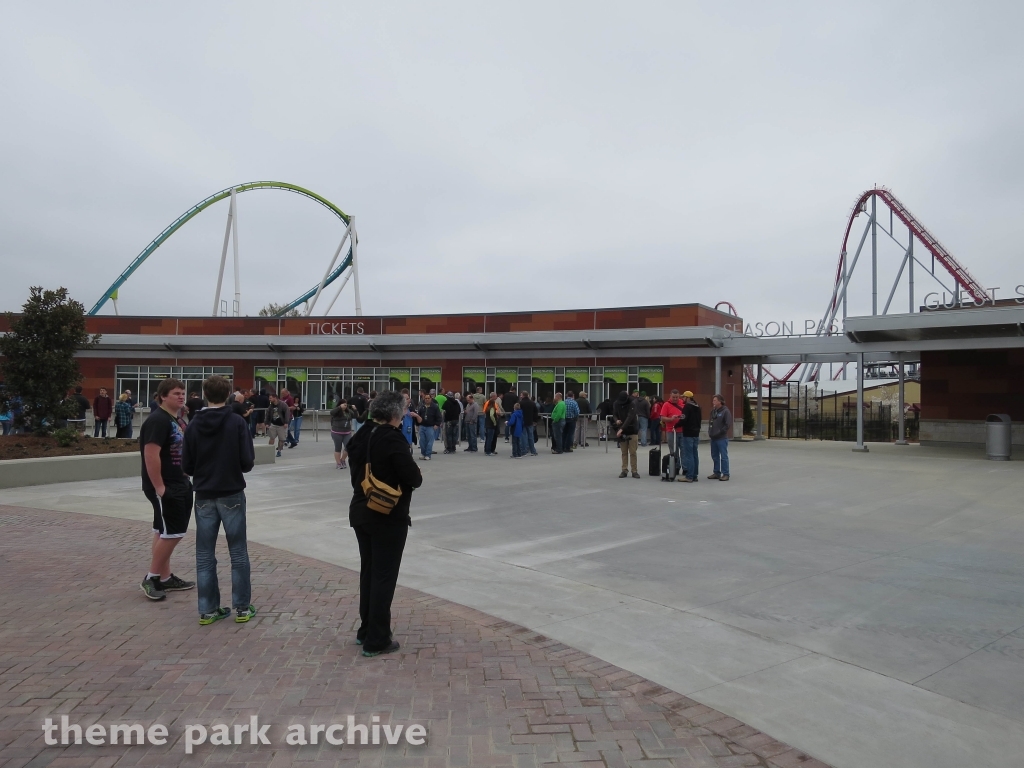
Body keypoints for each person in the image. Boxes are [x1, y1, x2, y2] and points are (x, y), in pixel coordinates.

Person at [345, 390, 423, 656]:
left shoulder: (363, 434)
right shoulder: (392, 438)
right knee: (383, 576)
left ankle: (366, 629)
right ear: (394, 414)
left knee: (369, 572)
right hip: (387, 515)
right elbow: (413, 477)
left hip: (361, 510)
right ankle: (377, 639)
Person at [181, 375, 256, 625]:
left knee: (204, 554)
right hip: (231, 491)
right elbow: (247, 461)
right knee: (238, 552)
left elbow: (187, 464)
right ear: (228, 395)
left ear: (204, 394)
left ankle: (208, 609)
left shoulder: (193, 424)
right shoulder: (236, 422)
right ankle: (242, 608)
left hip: (203, 493)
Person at [139, 378, 195, 601]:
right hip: (167, 485)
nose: (181, 396)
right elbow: (150, 455)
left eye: (183, 393)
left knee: (162, 531)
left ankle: (164, 577)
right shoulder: (157, 421)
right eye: (176, 393)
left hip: (180, 481)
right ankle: (151, 578)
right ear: (163, 396)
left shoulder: (177, 420)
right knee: (174, 532)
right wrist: (160, 488)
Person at [613, 391, 640, 478]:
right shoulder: (616, 403)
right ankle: (624, 470)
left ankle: (634, 470)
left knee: (633, 452)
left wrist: (621, 429)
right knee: (624, 452)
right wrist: (616, 420)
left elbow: (630, 417)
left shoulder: (632, 403)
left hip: (632, 430)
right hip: (622, 430)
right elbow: (614, 414)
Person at [707, 394, 733, 481]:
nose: (713, 402)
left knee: (723, 456)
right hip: (713, 437)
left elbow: (727, 424)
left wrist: (720, 432)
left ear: (720, 401)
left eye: (715, 400)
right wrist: (710, 432)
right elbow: (710, 422)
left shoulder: (725, 411)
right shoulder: (713, 411)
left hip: (721, 438)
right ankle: (716, 472)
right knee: (715, 456)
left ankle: (726, 474)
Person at [679, 390, 702, 483]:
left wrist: (676, 425)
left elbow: (683, 420)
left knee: (689, 455)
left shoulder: (687, 407)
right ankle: (695, 475)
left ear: (688, 398)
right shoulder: (697, 407)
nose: (683, 399)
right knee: (695, 454)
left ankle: (689, 476)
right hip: (696, 433)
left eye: (684, 397)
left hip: (688, 433)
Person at [660, 390, 685, 477]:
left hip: (682, 431)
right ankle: (675, 467)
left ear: (679, 397)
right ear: (670, 396)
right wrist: (671, 419)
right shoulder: (666, 405)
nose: (675, 399)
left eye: (676, 397)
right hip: (671, 431)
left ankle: (685, 468)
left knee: (683, 450)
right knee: (673, 450)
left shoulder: (683, 403)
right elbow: (662, 418)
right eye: (673, 397)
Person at [414, 393, 441, 460]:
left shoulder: (435, 407)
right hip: (422, 426)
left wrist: (437, 424)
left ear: (431, 399)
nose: (427, 400)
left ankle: (428, 454)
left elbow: (439, 417)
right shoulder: (422, 407)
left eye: (428, 398)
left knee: (429, 441)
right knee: (422, 441)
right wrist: (417, 424)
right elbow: (418, 416)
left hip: (430, 427)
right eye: (426, 398)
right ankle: (423, 454)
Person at [330, 399, 354, 469]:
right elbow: (331, 412)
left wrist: (348, 408)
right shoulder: (336, 411)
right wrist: (339, 408)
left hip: (347, 432)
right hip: (337, 432)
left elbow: (353, 414)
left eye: (346, 404)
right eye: (343, 404)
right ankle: (338, 463)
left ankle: (343, 460)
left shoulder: (348, 412)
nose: (345, 406)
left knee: (348, 447)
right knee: (338, 448)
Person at [266, 393, 291, 457]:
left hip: (281, 425)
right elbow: (268, 415)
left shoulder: (283, 405)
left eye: (271, 398)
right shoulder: (271, 406)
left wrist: (286, 422)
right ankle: (269, 451)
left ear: (275, 398)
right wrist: (267, 423)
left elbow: (287, 413)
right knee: (272, 438)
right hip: (273, 424)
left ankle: (279, 451)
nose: (269, 399)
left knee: (281, 439)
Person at [519, 392, 539, 456]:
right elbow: (536, 412)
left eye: (521, 395)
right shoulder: (532, 403)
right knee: (531, 436)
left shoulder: (521, 403)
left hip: (523, 421)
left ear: (523, 396)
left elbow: (518, 412)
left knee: (523, 436)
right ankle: (533, 451)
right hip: (530, 421)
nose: (520, 396)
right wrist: (535, 420)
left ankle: (524, 451)